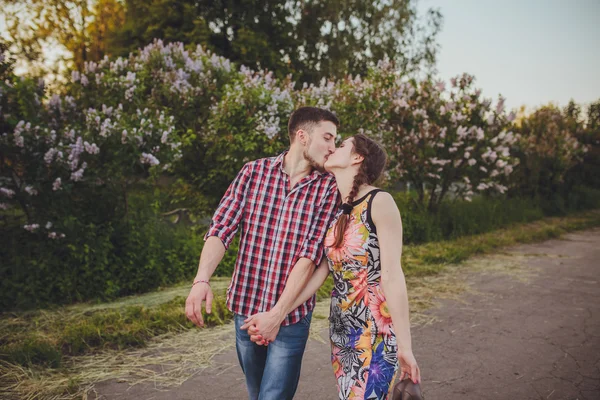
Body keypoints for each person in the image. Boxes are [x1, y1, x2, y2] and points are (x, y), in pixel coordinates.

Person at [246, 134, 420, 400]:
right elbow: (321, 274)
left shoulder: (380, 202)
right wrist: (277, 314)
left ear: (357, 157)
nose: (332, 149)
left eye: (341, 146)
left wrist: (406, 347)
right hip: (342, 329)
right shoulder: (341, 211)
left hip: (374, 330)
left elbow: (393, 276)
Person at [185, 106, 341, 400]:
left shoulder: (328, 189)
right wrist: (201, 279)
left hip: (290, 317)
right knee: (256, 393)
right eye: (328, 138)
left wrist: (277, 315)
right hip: (246, 306)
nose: (333, 148)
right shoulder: (252, 172)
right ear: (302, 136)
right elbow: (221, 228)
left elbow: (310, 256)